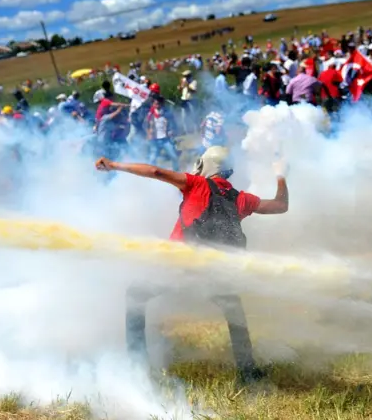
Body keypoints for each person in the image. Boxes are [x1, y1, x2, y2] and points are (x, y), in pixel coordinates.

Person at [94, 146, 288, 382]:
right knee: (234, 310)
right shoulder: (241, 198)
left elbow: (155, 171)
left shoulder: (196, 184)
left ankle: (136, 366)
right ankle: (248, 373)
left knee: (135, 294)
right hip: (216, 272)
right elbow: (281, 206)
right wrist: (280, 174)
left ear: (205, 164)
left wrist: (114, 165)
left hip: (180, 267)